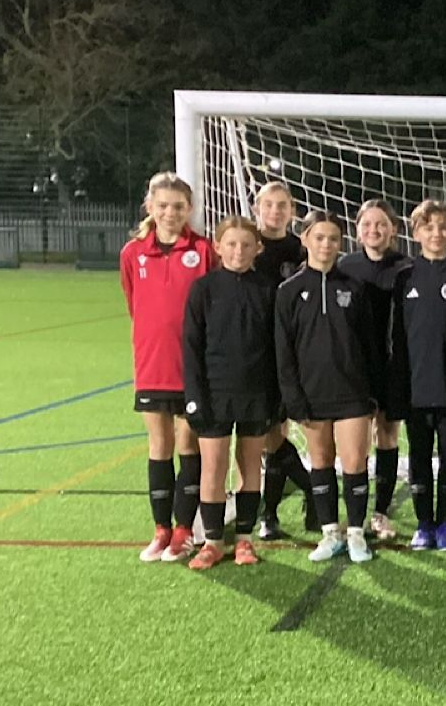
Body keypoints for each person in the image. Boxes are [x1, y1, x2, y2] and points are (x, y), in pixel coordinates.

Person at [275, 211, 386, 564]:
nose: (326, 245)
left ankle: (356, 533)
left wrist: (374, 394)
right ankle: (330, 532)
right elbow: (284, 352)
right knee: (320, 462)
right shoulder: (289, 291)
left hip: (352, 393)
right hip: (311, 394)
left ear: (341, 244)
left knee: (354, 461)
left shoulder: (355, 288)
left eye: (333, 239)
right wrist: (293, 398)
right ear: (305, 239)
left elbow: (371, 346)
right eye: (319, 237)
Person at [119, 172, 215, 563]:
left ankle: (182, 531)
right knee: (158, 446)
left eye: (178, 206)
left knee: (187, 444)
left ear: (189, 209)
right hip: (151, 363)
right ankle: (160, 530)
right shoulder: (132, 254)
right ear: (150, 207)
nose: (170, 213)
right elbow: (134, 304)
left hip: (192, 366)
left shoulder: (205, 251)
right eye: (162, 206)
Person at [181, 216, 277, 569]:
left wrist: (276, 397)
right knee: (213, 467)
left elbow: (275, 349)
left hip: (256, 393)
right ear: (218, 247)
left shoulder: (269, 290)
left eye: (247, 245)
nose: (239, 251)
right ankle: (212, 541)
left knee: (250, 464)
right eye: (232, 244)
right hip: (214, 393)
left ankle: (245, 540)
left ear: (258, 249)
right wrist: (194, 396)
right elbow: (191, 348)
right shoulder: (203, 289)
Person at [388, 200, 446, 550]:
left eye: (442, 227)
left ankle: (445, 525)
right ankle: (424, 524)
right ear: (416, 232)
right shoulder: (404, 277)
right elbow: (396, 338)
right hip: (416, 386)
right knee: (420, 456)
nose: (436, 233)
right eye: (428, 227)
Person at [335, 199, 407, 540]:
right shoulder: (345, 267)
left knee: (388, 436)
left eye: (381, 224)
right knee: (358, 443)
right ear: (357, 228)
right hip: (356, 367)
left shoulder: (405, 267)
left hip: (392, 366)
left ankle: (381, 512)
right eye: (368, 224)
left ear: (393, 229)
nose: (374, 230)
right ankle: (357, 515)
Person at [251, 182, 314, 539]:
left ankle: (269, 515)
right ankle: (310, 489)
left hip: (288, 352)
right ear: (258, 208)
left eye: (282, 205)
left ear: (291, 211)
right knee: (265, 438)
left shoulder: (298, 249)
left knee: (274, 434)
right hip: (252, 352)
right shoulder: (247, 244)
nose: (275, 211)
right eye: (269, 205)